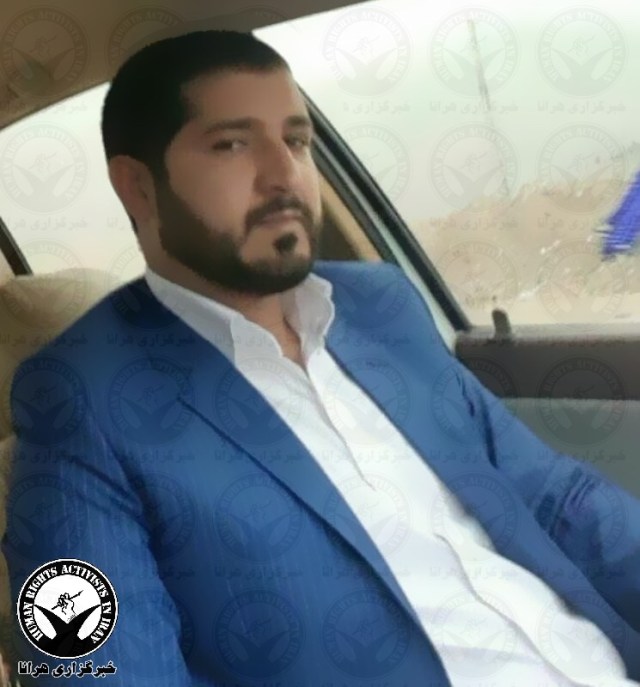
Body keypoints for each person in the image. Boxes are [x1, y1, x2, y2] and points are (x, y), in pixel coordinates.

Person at [1, 30, 639, 687]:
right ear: (138, 186)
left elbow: (557, 498)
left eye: (297, 141)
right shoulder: (81, 399)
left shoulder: (381, 305)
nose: (285, 175)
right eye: (232, 144)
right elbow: (89, 669)